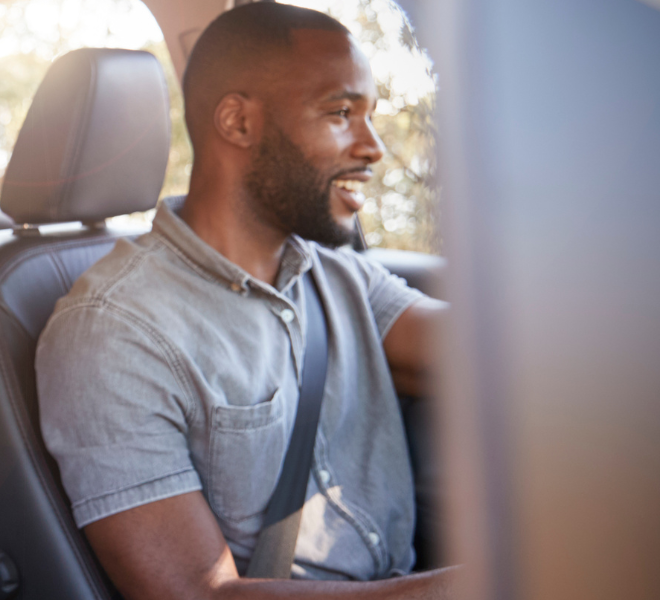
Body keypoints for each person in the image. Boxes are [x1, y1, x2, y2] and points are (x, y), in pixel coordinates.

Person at [36, 3, 454, 598]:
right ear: (237, 122)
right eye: (341, 113)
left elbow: (487, 355)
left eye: (371, 117)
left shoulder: (339, 276)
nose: (373, 148)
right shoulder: (112, 330)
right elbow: (201, 594)